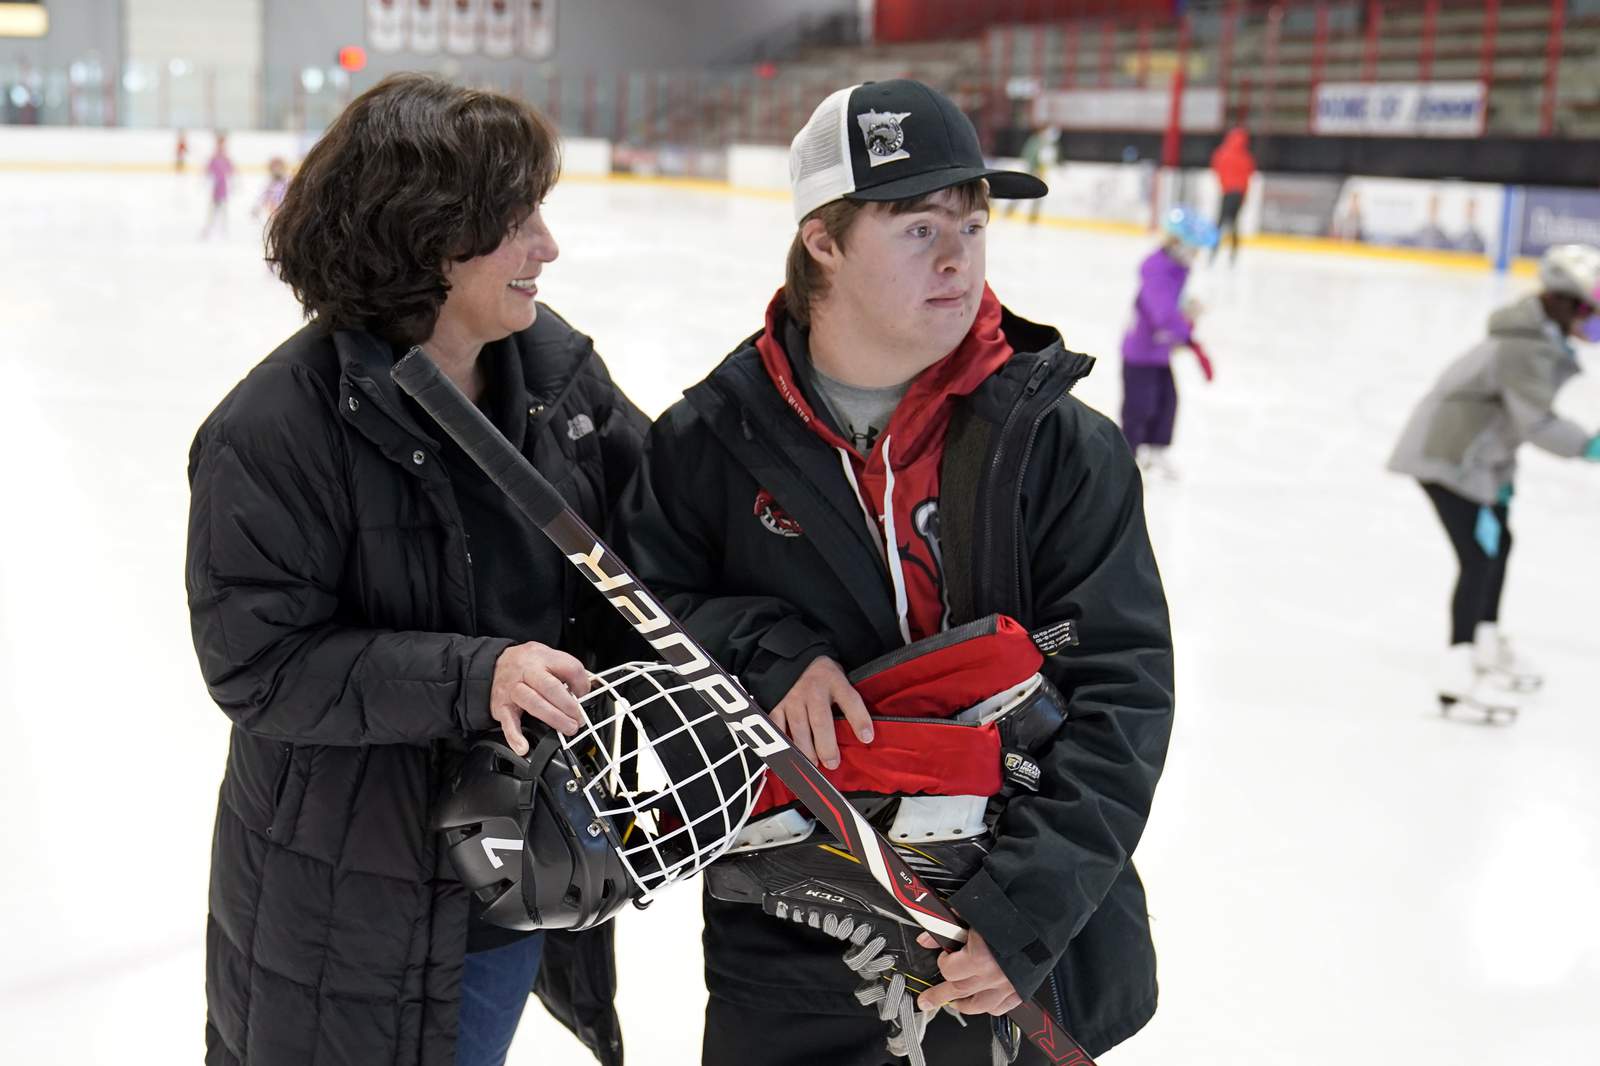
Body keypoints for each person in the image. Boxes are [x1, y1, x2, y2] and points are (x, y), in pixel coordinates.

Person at [612, 79, 1174, 1066]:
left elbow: (1120, 692)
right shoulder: (706, 443)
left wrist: (1024, 914)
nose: (958, 255)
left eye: (971, 221)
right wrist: (764, 650)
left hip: (1010, 946)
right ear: (821, 240)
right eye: (918, 227)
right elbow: (637, 625)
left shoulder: (1059, 448)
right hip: (791, 941)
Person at [185, 74, 646, 1066]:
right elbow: (259, 665)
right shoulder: (273, 432)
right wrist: (477, 674)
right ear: (434, 237)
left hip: (515, 880)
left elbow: (664, 538)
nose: (548, 248)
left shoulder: (557, 378)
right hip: (351, 913)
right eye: (518, 220)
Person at [1387, 243, 1600, 716]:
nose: (1594, 321)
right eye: (1592, 310)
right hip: (1448, 458)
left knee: (1498, 543)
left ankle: (1484, 642)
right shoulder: (1525, 347)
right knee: (1478, 558)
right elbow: (1534, 422)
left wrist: (1500, 481)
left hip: (1476, 460)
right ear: (1567, 304)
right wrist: (1589, 445)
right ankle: (1455, 678)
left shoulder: (1537, 338)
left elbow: (1502, 422)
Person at [1119, 207, 1217, 481]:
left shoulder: (1176, 269)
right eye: (1195, 249)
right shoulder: (1158, 270)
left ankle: (1156, 451)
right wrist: (1185, 329)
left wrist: (1186, 309)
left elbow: (1170, 307)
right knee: (1140, 407)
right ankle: (1129, 457)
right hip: (1141, 353)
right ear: (1180, 244)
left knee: (1167, 402)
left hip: (1159, 352)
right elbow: (1161, 313)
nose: (1197, 256)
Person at [1208, 126, 1255, 263]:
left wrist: (1224, 184)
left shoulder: (1222, 153)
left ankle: (1213, 252)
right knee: (1234, 224)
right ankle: (1233, 256)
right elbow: (1248, 176)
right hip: (1239, 193)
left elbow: (1216, 168)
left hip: (1227, 192)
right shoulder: (1246, 156)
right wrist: (1244, 195)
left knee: (1220, 223)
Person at [1003, 124, 1057, 223]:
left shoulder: (1049, 144)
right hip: (1032, 172)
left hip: (1042, 172)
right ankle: (1009, 209)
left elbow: (1050, 158)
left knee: (1039, 194)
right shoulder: (1035, 141)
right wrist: (1034, 169)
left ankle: (1033, 216)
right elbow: (1028, 155)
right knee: (1022, 192)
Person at [200, 130, 235, 239]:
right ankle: (210, 228)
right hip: (217, 187)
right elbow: (208, 169)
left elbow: (231, 169)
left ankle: (222, 229)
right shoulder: (215, 157)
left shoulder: (224, 157)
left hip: (222, 187)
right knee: (214, 208)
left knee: (222, 208)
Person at [252, 155, 290, 219]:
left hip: (287, 210)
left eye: (279, 168)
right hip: (274, 212)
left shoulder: (288, 181)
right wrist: (257, 208)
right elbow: (262, 197)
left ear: (283, 168)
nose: (277, 171)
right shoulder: (269, 184)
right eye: (274, 169)